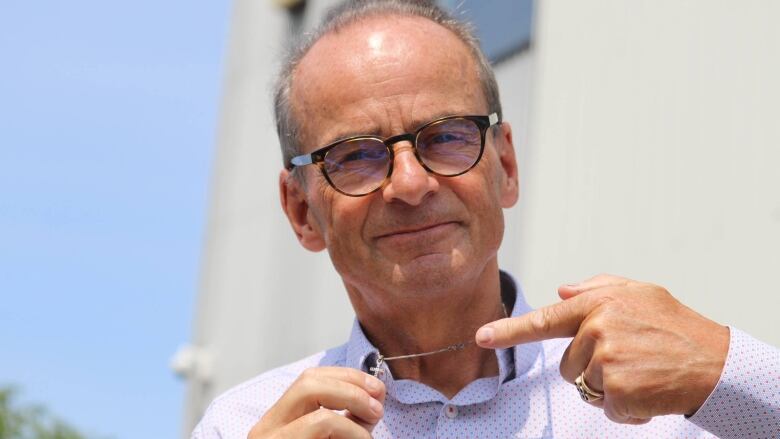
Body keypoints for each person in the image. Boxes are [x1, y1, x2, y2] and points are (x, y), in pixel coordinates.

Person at [192, 1, 780, 438]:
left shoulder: (663, 401)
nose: (411, 184)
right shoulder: (246, 425)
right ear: (302, 211)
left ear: (505, 165)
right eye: (357, 155)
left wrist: (725, 367)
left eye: (446, 137)